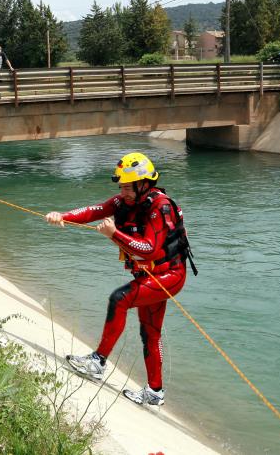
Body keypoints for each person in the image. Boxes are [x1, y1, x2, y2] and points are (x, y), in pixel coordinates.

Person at [45, 152, 196, 406]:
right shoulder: (123, 202)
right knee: (149, 333)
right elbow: (94, 210)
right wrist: (63, 216)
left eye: (127, 187)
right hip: (150, 274)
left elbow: (148, 248)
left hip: (168, 276)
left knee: (120, 299)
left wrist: (114, 234)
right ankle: (154, 392)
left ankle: (98, 362)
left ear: (143, 184)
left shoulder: (161, 207)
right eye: (121, 187)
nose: (123, 192)